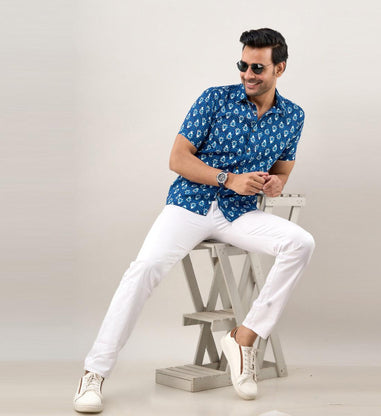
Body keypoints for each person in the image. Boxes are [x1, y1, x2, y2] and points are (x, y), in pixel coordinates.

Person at [73, 27, 315, 413]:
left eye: (257, 67)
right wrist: (228, 179)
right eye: (243, 65)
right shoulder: (215, 99)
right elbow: (178, 158)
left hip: (239, 214)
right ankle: (94, 373)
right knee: (144, 269)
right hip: (189, 205)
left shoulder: (293, 116)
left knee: (300, 243)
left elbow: (283, 169)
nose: (248, 74)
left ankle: (243, 338)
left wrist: (275, 183)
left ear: (279, 69)